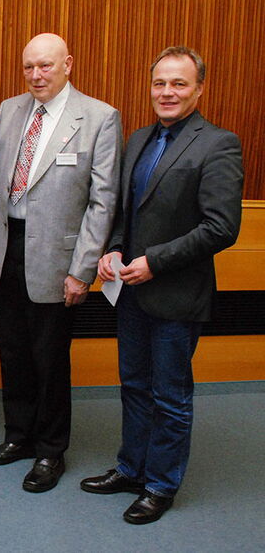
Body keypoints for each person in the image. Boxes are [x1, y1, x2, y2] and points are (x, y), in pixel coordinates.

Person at [80, 46, 243, 524]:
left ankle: (160, 484)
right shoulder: (138, 139)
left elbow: (221, 228)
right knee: (133, 385)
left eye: (178, 84)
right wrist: (113, 249)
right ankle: (131, 468)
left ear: (198, 89)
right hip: (131, 291)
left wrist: (155, 262)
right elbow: (124, 213)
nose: (167, 92)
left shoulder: (219, 144)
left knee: (170, 396)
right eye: (159, 83)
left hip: (176, 294)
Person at [0, 33, 122, 492]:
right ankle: (18, 436)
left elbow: (102, 202)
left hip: (59, 259)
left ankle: (51, 450)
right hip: (8, 249)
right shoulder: (9, 110)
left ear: (67, 64)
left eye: (46, 66)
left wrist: (82, 269)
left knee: (50, 359)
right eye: (29, 67)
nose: (36, 75)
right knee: (13, 352)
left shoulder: (99, 117)